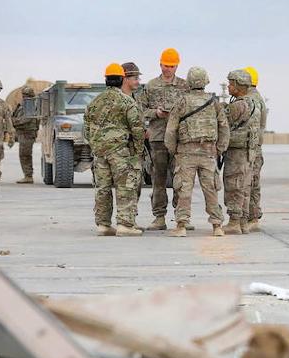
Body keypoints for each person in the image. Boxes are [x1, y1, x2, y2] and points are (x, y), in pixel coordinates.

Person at [164, 66, 229, 237]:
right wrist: (219, 149)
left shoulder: (182, 102)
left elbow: (171, 130)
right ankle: (217, 226)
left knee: (184, 190)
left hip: (186, 153)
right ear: (205, 81)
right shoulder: (213, 102)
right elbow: (224, 128)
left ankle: (181, 225)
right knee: (211, 190)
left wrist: (173, 150)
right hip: (208, 153)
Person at [83, 63, 144, 236]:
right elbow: (137, 129)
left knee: (102, 188)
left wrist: (96, 145)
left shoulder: (95, 102)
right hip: (121, 152)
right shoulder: (127, 101)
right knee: (126, 187)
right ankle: (125, 225)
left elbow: (87, 128)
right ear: (121, 79)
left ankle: (103, 225)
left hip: (100, 153)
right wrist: (138, 152)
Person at [137, 47, 188, 230]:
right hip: (158, 138)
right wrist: (156, 113)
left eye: (172, 66)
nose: (168, 69)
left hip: (179, 139)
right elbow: (140, 110)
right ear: (160, 64)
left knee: (180, 179)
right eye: (166, 65)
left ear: (177, 66)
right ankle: (159, 217)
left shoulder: (185, 86)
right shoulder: (151, 86)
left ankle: (181, 217)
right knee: (158, 179)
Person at [222, 69, 257, 234]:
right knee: (244, 186)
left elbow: (223, 123)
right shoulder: (254, 103)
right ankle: (242, 221)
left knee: (233, 185)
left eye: (231, 83)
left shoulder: (238, 105)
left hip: (236, 152)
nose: (228, 87)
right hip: (248, 152)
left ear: (239, 85)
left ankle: (234, 222)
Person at [243, 66, 266, 232]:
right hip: (256, 146)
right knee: (253, 182)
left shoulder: (251, 100)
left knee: (250, 182)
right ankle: (253, 216)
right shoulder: (257, 98)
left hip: (251, 147)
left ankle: (252, 217)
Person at [11, 84, 39, 183]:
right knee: (24, 154)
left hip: (27, 133)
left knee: (25, 154)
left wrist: (13, 122)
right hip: (24, 133)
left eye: (25, 94)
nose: (24, 96)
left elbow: (27, 119)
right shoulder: (25, 104)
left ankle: (28, 176)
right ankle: (28, 175)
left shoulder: (30, 104)